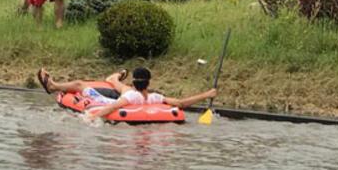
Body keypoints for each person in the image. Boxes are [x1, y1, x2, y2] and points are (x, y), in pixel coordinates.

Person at [37, 67, 217, 122]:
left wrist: (91, 116)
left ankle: (53, 86)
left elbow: (112, 107)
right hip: (133, 97)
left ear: (135, 82)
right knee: (118, 86)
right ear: (149, 82)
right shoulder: (155, 97)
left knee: (79, 84)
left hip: (105, 100)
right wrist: (207, 94)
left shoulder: (131, 95)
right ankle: (114, 77)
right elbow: (182, 103)